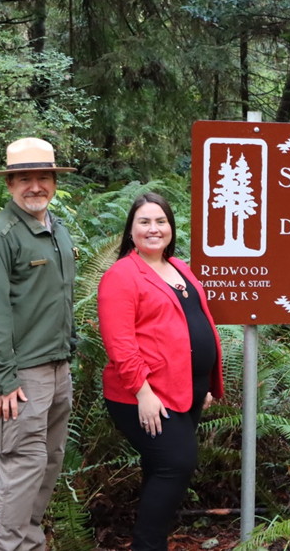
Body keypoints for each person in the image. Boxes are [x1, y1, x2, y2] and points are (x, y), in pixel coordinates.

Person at [0, 137, 78, 551]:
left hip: (57, 367)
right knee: (23, 466)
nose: (36, 186)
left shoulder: (56, 230)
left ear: (54, 182)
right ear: (10, 184)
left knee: (48, 463)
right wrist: (2, 377)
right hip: (19, 376)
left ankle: (30, 543)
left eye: (43, 177)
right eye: (25, 178)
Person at [98, 193, 224, 551]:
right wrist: (144, 394)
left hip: (188, 389)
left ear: (170, 227)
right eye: (144, 222)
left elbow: (195, 323)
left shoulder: (180, 267)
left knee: (160, 468)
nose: (153, 229)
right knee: (176, 464)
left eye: (160, 221)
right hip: (145, 395)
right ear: (131, 230)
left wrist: (208, 382)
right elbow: (120, 345)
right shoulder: (121, 275)